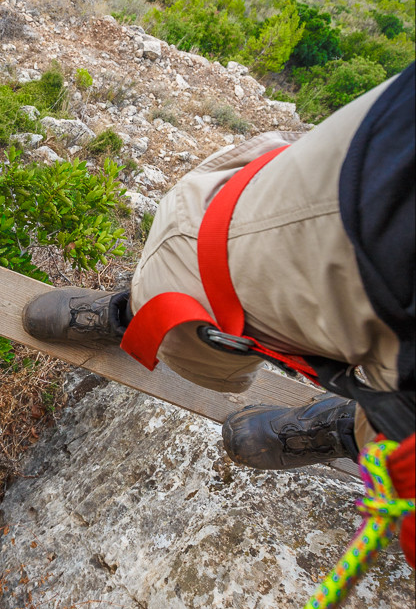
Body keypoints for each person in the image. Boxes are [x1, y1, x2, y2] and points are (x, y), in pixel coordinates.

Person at [23, 64, 415, 565]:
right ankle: (135, 316)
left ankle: (358, 430)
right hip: (389, 197)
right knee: (189, 268)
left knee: (394, 415)